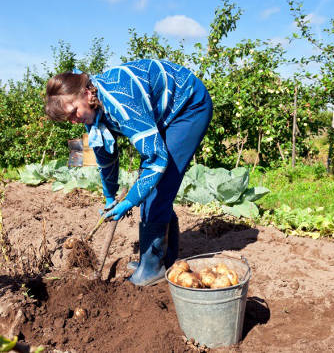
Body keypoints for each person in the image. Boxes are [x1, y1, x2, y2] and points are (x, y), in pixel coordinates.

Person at [44, 58, 213, 286]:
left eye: (74, 112)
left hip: (189, 106)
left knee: (158, 184)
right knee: (155, 187)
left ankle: (152, 267)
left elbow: (156, 160)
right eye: (69, 119)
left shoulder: (120, 103)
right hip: (164, 114)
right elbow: (105, 156)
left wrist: (130, 201)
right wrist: (110, 196)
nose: (74, 120)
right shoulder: (92, 110)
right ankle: (164, 260)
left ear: (86, 92)